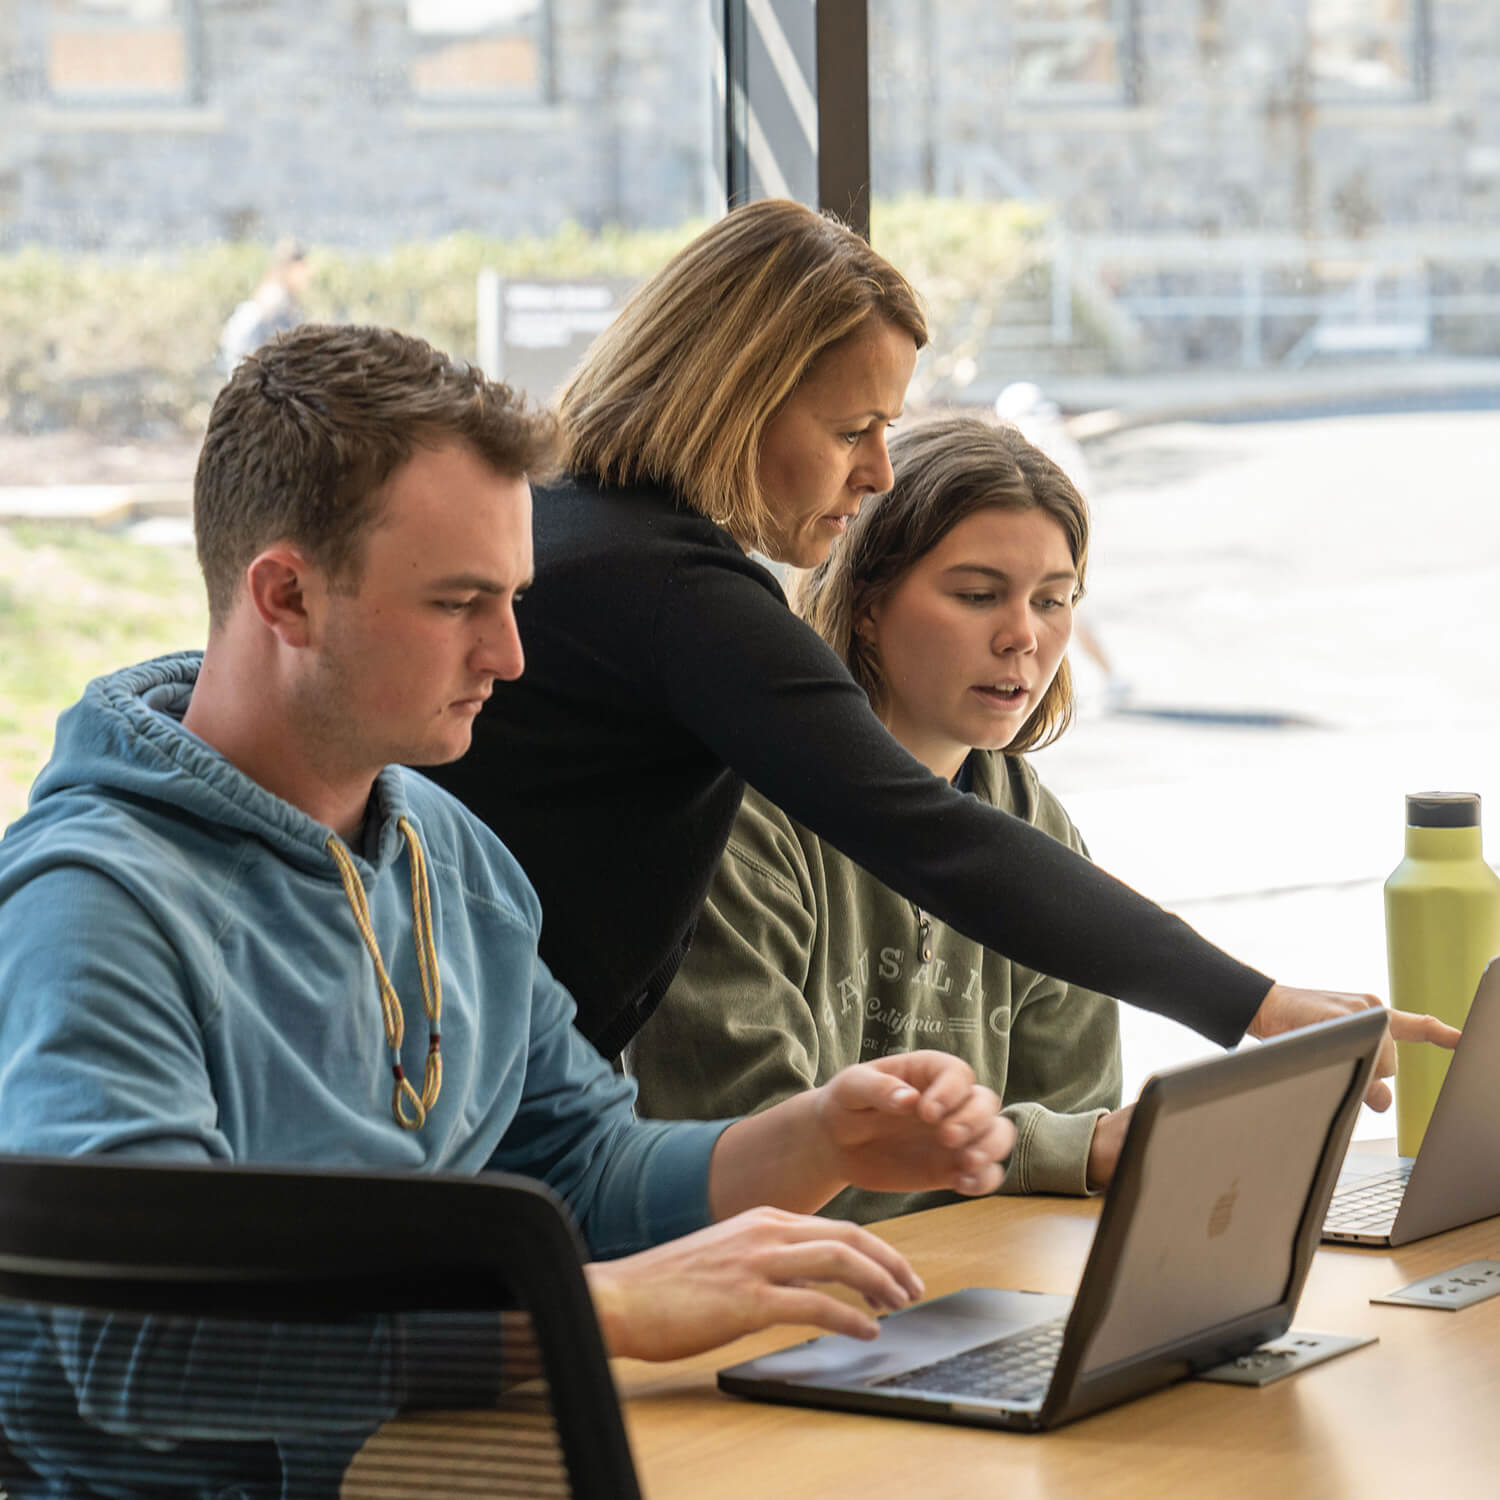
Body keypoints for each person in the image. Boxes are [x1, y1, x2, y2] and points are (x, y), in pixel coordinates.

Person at [0, 324, 1016, 1477]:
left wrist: (823, 1133)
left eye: (515, 597)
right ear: (286, 595)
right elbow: (143, 1352)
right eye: (459, 603)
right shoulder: (92, 909)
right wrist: (601, 1314)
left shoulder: (447, 848)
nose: (512, 654)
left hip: (443, 1469)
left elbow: (582, 1168)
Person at [423, 197, 1455, 1092]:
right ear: (735, 402)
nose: (877, 472)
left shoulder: (564, 521)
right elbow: (938, 838)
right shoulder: (675, 593)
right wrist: (1258, 1005)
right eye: (851, 429)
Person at [628, 414, 1130, 1220]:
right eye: (977, 595)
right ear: (865, 603)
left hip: (973, 1291)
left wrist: (1063, 1154)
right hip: (783, 1300)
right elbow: (748, 1150)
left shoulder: (1036, 826)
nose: (1023, 638)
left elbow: (1080, 1150)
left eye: (1054, 600)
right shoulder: (742, 816)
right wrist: (1053, 1151)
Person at [218, 236, 311, 373]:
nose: (308, 274)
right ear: (290, 267)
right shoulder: (275, 300)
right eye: (303, 267)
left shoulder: (273, 296)